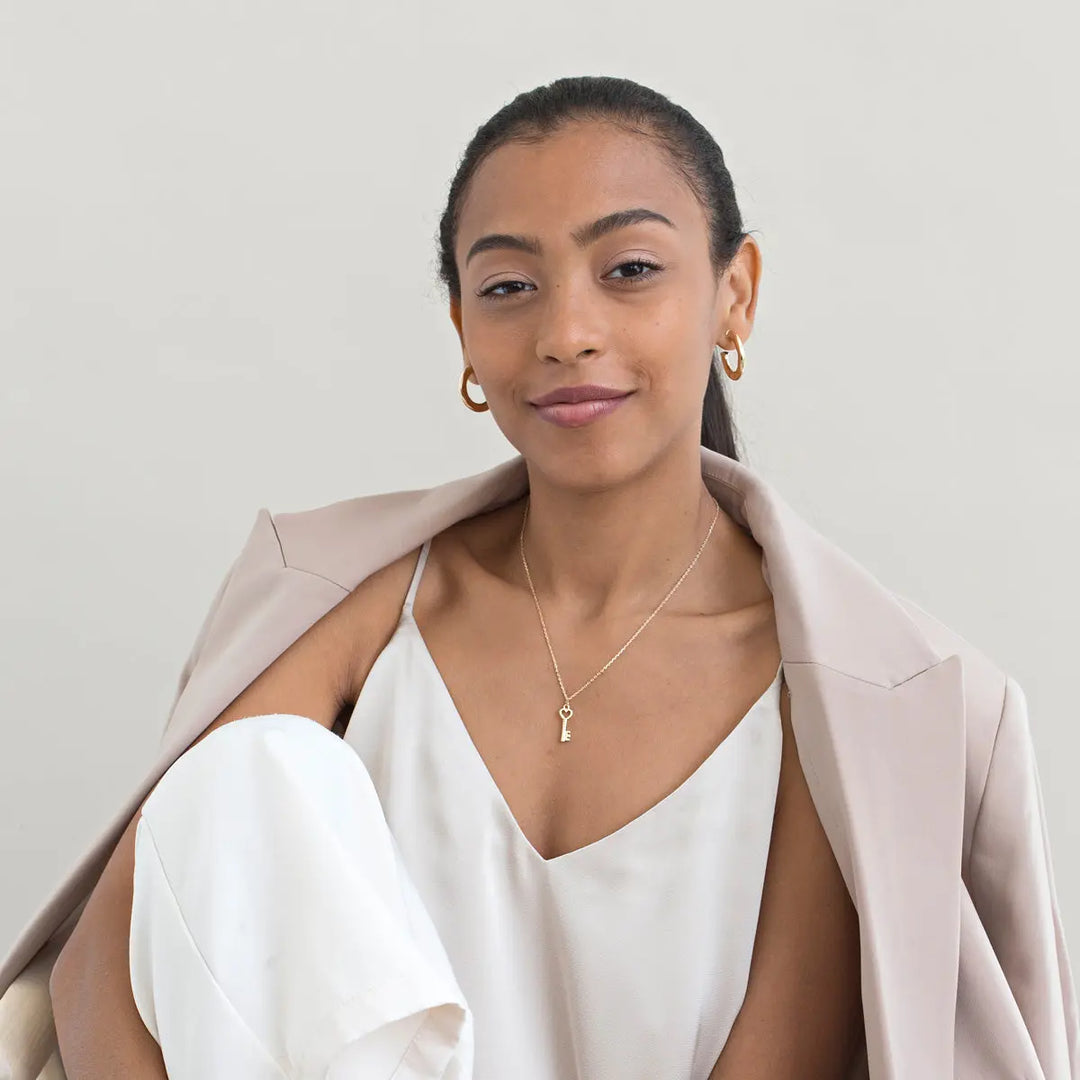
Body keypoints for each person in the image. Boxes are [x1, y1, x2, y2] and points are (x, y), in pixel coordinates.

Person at [3, 75, 1076, 1079]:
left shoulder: (854, 698)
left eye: (630, 270)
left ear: (735, 295)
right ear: (464, 334)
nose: (566, 333)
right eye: (509, 286)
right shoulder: (354, 605)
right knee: (247, 770)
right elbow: (115, 956)